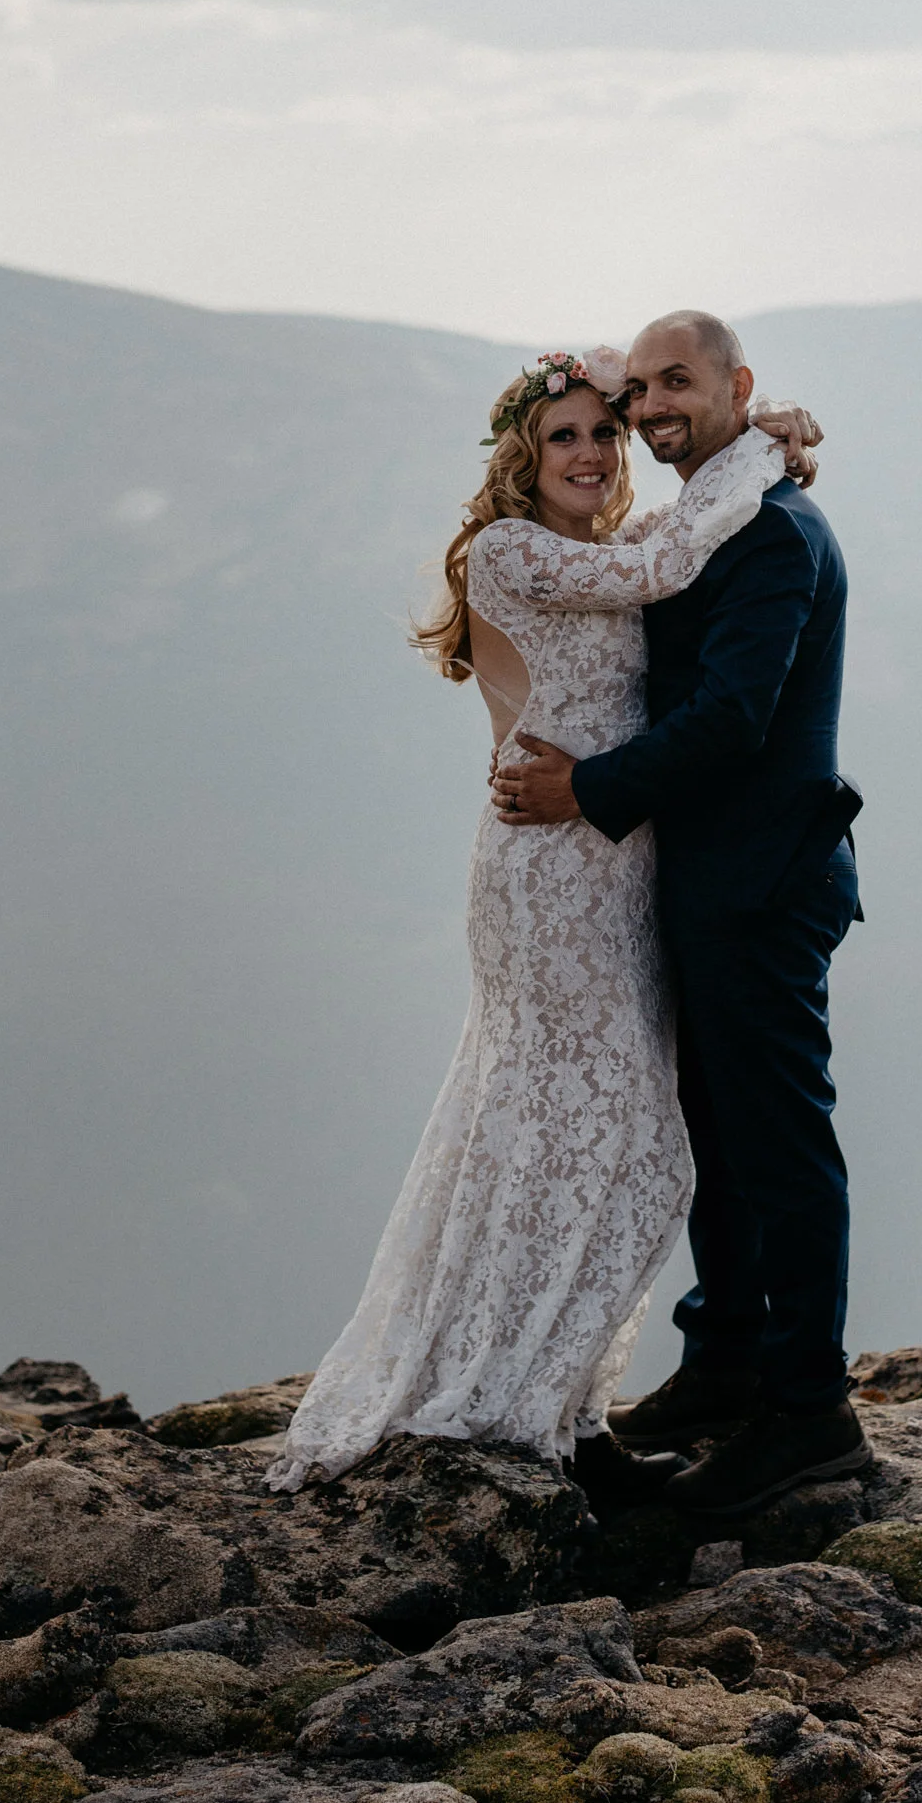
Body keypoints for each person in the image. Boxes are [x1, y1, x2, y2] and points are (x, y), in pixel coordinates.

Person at [267, 349, 817, 1504]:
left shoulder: (603, 554)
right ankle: (520, 1398)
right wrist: (761, 447)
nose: (590, 453)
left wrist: (758, 439)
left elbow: (672, 542)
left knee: (567, 1129)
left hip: (618, 867)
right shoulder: (511, 552)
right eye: (563, 435)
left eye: (604, 434)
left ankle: (557, 1400)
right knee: (610, 1134)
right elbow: (674, 556)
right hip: (551, 872)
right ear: (521, 455)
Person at [492, 311, 866, 1517]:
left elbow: (734, 717)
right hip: (705, 881)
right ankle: (725, 1363)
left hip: (763, 882)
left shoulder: (769, 533)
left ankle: (809, 1413)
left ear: (736, 384)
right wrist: (758, 435)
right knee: (719, 1137)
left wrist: (587, 788)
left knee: (778, 1145)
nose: (652, 406)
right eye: (639, 388)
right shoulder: (711, 513)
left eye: (678, 382)